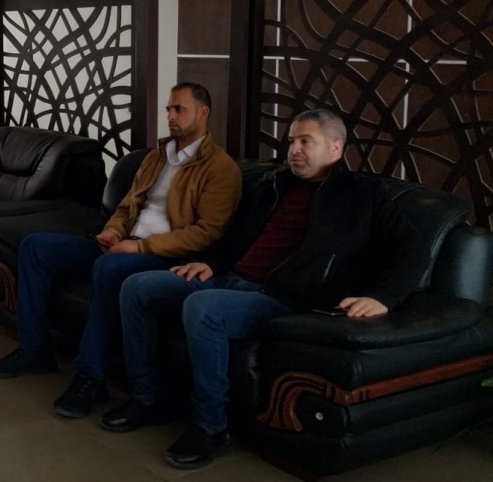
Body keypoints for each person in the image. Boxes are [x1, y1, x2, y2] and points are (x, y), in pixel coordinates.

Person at [112, 108, 428, 470]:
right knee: (138, 287)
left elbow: (413, 250)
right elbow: (234, 235)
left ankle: (211, 426)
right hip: (229, 278)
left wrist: (382, 298)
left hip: (281, 296)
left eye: (305, 141)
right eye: (292, 141)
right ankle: (147, 397)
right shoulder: (274, 184)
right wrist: (210, 262)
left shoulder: (363, 195)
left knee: (204, 307)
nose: (294, 149)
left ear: (335, 148)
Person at [0, 82, 243, 419]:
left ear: (203, 113)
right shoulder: (156, 157)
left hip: (162, 256)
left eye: (179, 109)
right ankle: (34, 350)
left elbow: (206, 232)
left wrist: (140, 246)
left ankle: (91, 377)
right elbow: (126, 206)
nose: (170, 115)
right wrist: (113, 231)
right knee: (36, 247)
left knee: (109, 268)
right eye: (169, 108)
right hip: (124, 243)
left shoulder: (220, 168)